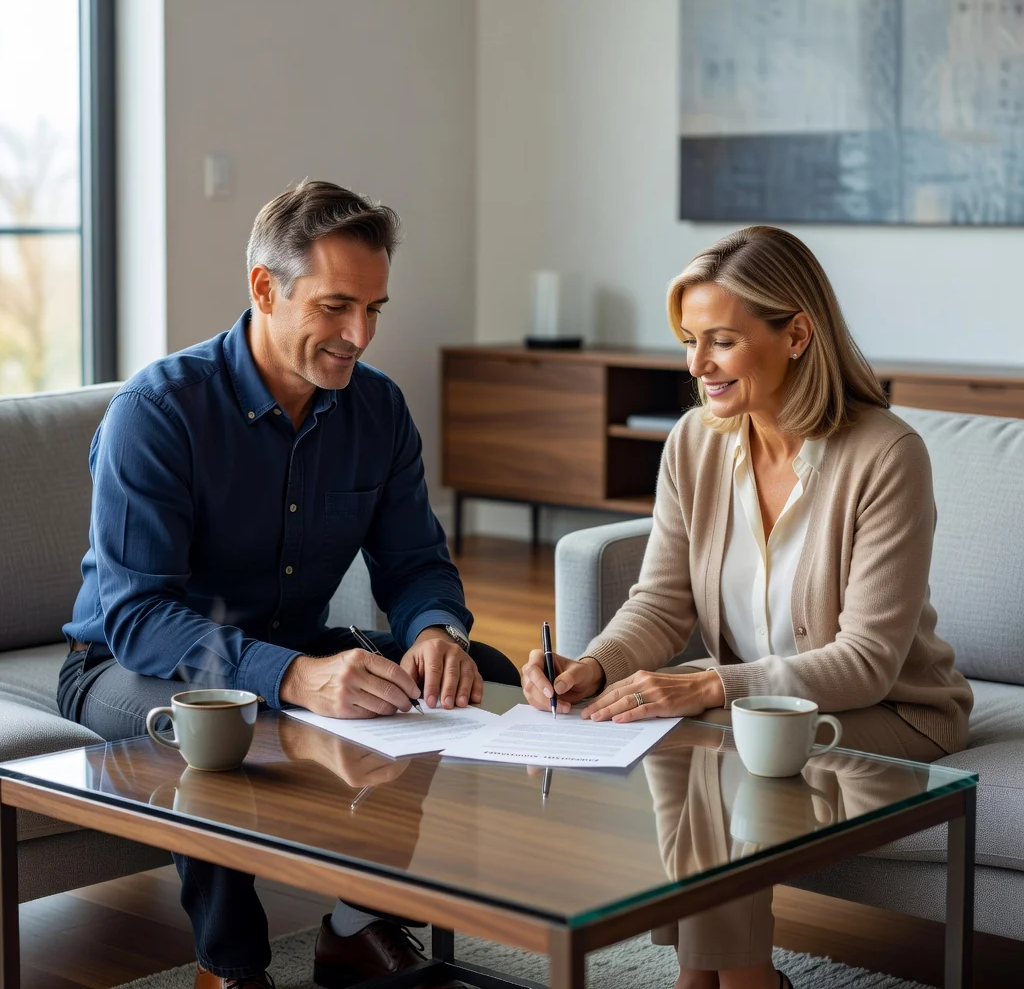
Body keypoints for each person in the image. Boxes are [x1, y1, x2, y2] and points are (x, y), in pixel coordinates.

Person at [58, 180, 519, 989]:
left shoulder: (377, 410)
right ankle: (230, 967)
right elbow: (139, 616)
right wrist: (296, 676)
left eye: (375, 309)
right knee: (215, 721)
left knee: (478, 668)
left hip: (289, 640)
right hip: (127, 662)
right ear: (264, 288)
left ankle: (357, 922)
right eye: (337, 306)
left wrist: (435, 633)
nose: (360, 335)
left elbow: (414, 563)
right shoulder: (159, 411)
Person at [521, 226, 972, 989]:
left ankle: (740, 978)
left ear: (796, 333)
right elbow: (661, 604)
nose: (696, 366)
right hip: (760, 704)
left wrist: (711, 685)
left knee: (715, 732)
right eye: (690, 341)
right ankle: (713, 976)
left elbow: (866, 661)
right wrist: (591, 664)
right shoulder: (695, 443)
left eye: (721, 341)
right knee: (681, 723)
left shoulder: (887, 455)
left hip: (895, 711)